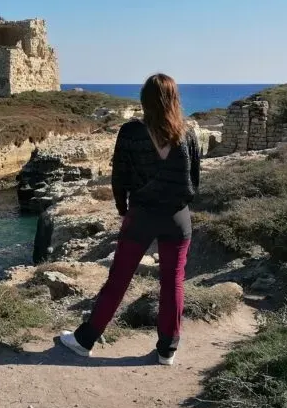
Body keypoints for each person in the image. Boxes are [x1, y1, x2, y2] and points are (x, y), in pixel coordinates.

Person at [58, 73, 200, 365]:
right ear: (174, 99)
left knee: (118, 279)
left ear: (144, 100)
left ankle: (85, 341)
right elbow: (194, 180)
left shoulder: (131, 132)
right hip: (177, 217)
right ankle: (167, 350)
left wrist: (123, 208)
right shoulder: (187, 134)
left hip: (141, 216)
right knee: (173, 282)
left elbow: (119, 176)